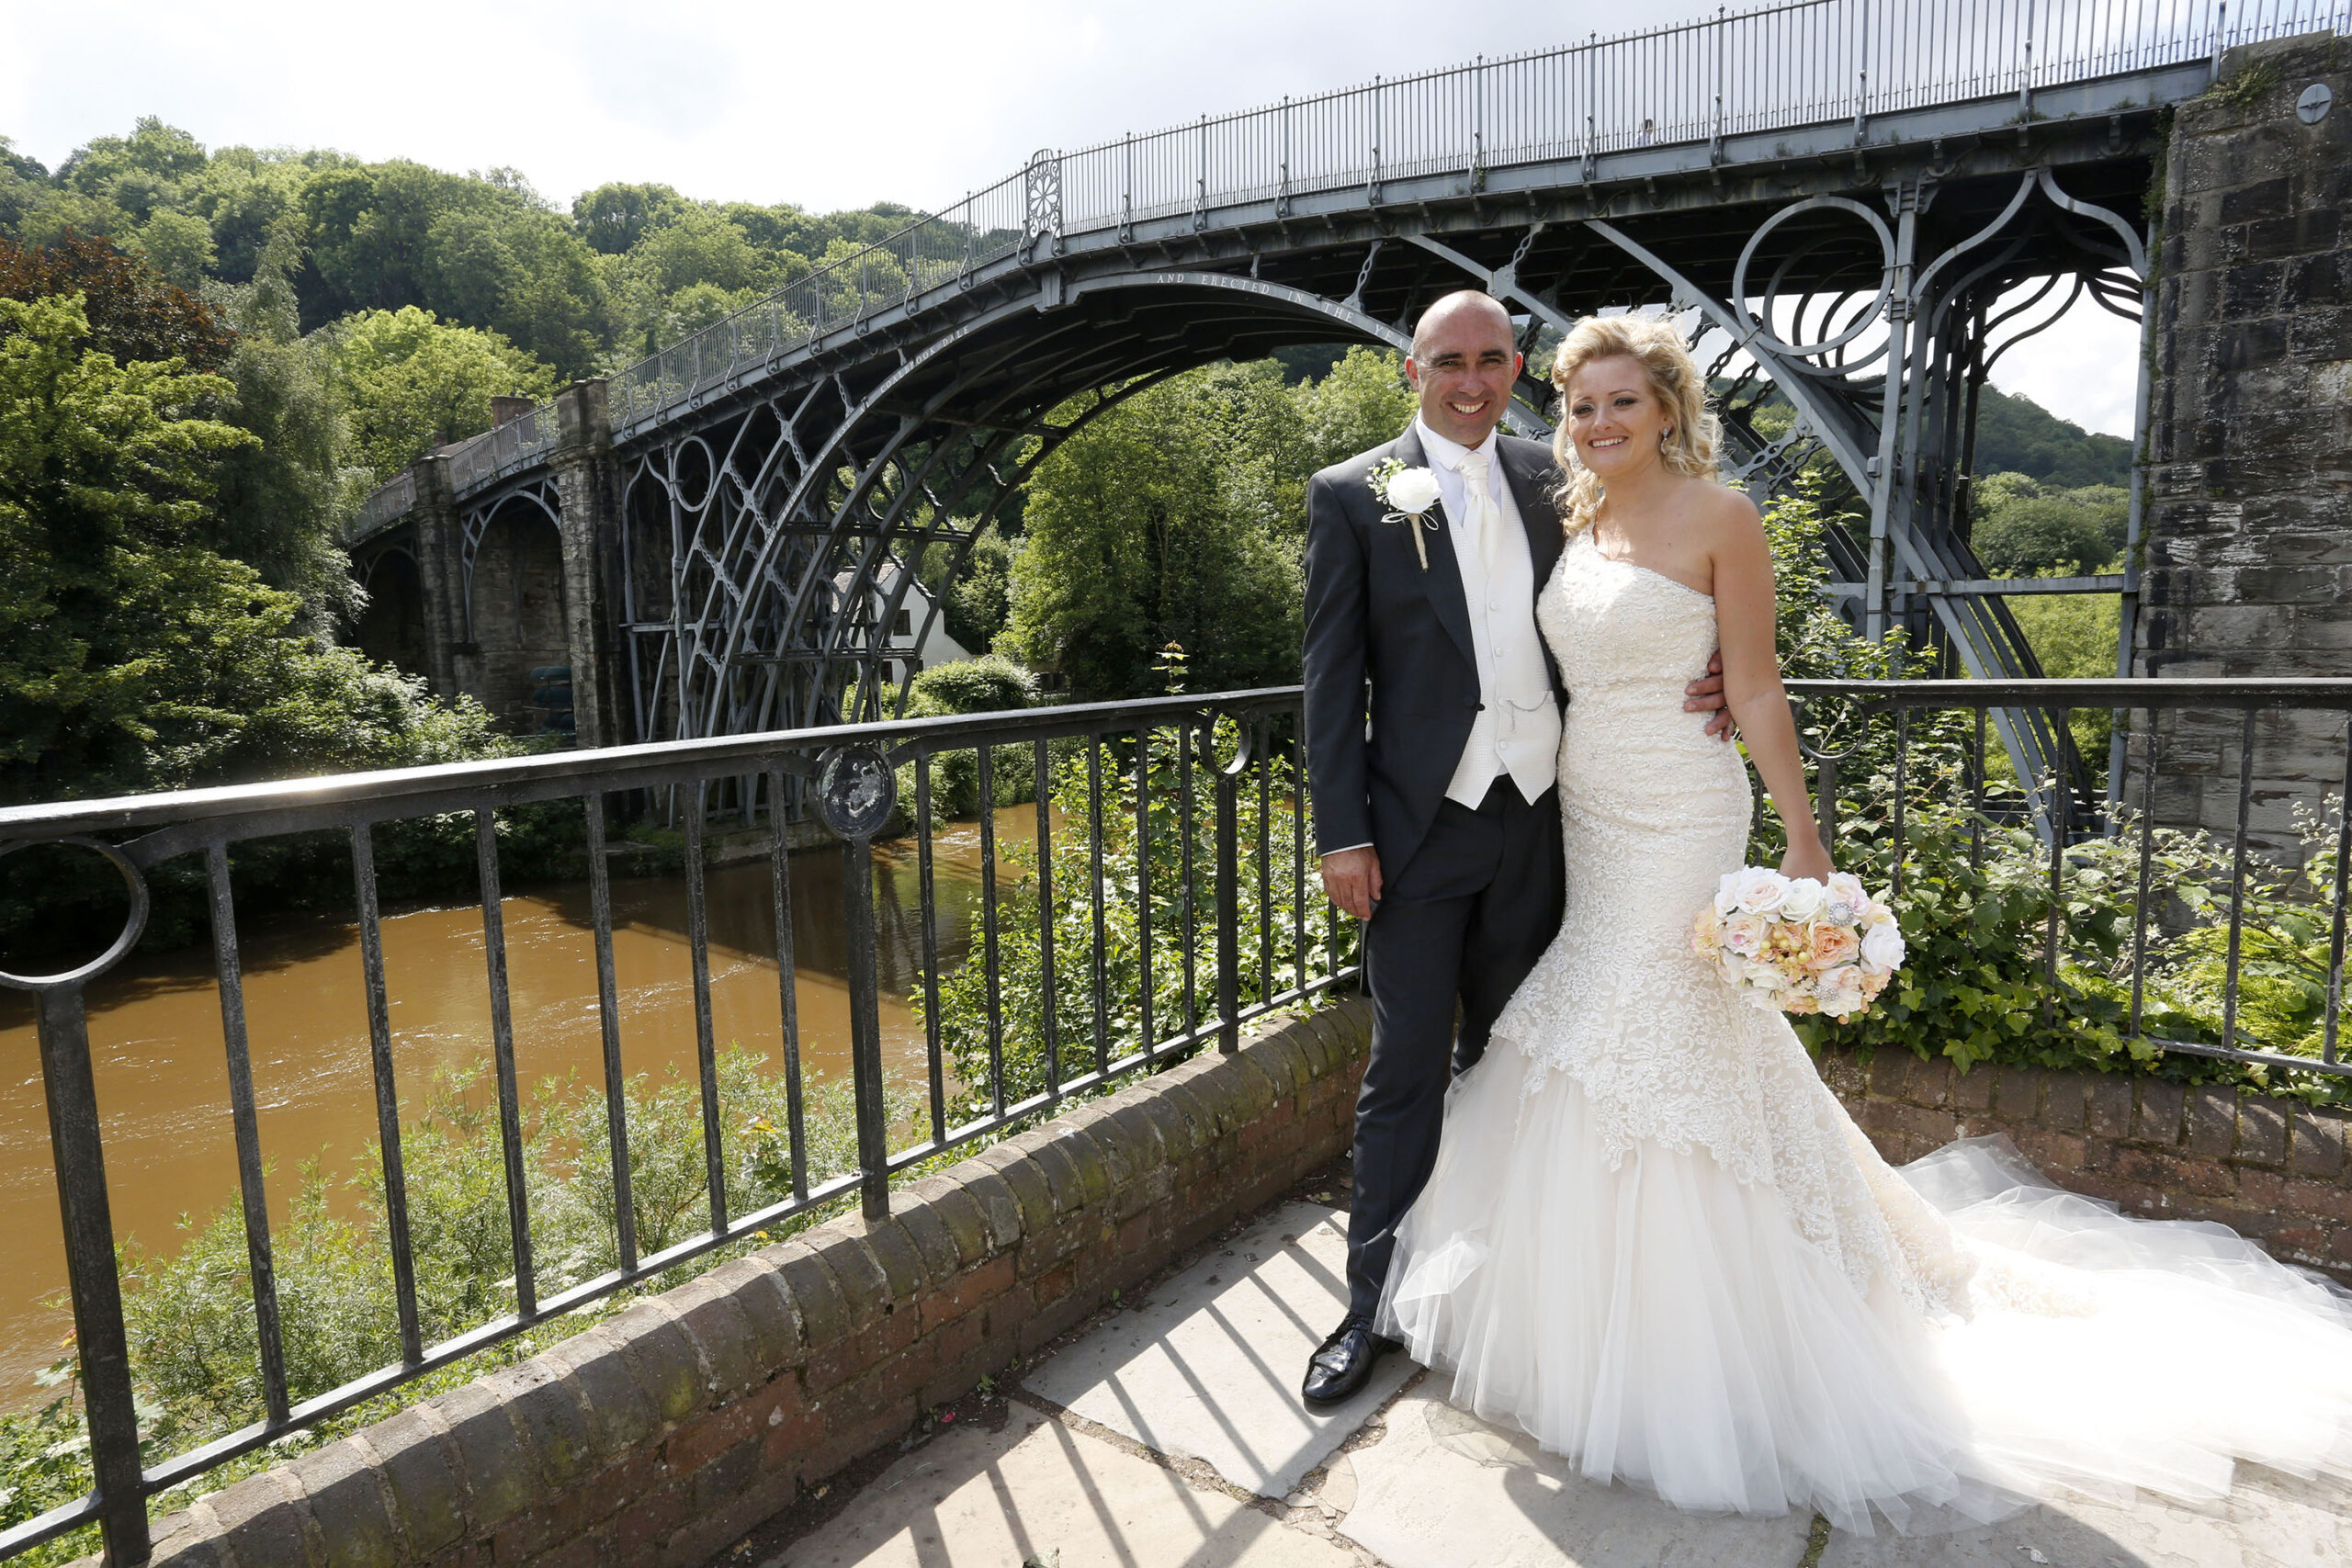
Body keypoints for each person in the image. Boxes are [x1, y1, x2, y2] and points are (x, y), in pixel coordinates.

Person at [1365, 311, 2352, 1533]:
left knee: (1639, 1022)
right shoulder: (1573, 511)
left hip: (1684, 809)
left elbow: (1759, 678)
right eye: (1581, 405)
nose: (1600, 422)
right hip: (1591, 807)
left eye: (1622, 401)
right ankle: (1663, 1297)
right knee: (1661, 1040)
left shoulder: (1721, 517)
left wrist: (1804, 835)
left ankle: (1719, 1335)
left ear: (1668, 405)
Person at [1296, 292, 1734, 1406]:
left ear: (1517, 367)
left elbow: (1656, 576)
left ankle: (1498, 1289)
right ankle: (1369, 1307)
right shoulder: (1352, 497)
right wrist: (1338, 832)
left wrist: (1719, 665)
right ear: (1413, 370)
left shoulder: (1565, 474)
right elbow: (1329, 681)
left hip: (1548, 820)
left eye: (1493, 360)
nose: (1471, 381)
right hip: (1414, 833)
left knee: (1521, 1060)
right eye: (1450, 362)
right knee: (1404, 1071)